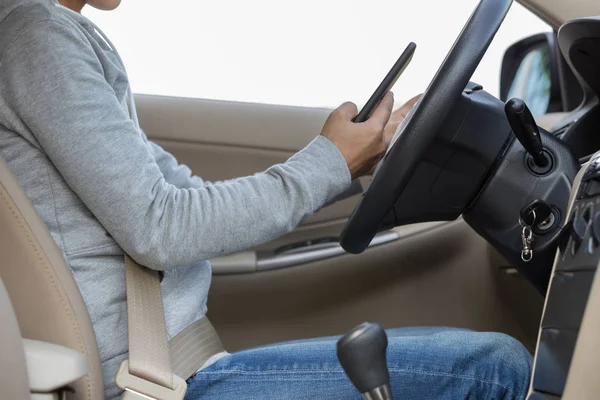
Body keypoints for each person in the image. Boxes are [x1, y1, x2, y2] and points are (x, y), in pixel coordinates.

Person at [0, 0, 533, 399]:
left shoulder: (47, 36)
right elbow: (162, 227)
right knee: (497, 370)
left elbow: (191, 200)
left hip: (172, 367)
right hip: (152, 382)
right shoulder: (35, 35)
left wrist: (357, 165)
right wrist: (330, 160)